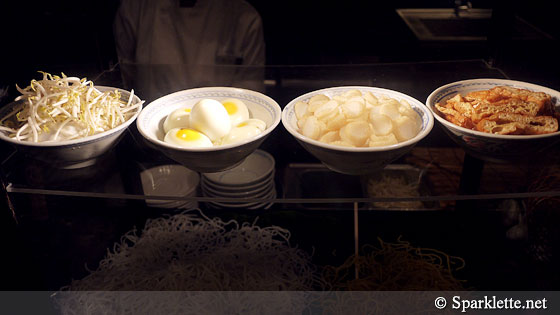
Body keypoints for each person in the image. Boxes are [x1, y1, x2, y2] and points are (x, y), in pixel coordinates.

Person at [113, 0, 266, 101]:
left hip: (224, 140)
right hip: (149, 135)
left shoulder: (244, 17)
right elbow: (125, 82)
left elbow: (252, 93)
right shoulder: (134, 9)